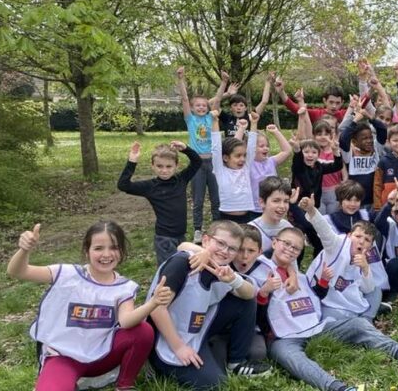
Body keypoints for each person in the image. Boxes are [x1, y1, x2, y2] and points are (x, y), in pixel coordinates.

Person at [253, 227, 398, 391]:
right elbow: (254, 314)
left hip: (315, 327)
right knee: (291, 358)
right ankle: (339, 388)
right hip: (283, 337)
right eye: (286, 244)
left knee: (358, 324)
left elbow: (315, 297)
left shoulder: (298, 275)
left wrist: (323, 282)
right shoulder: (258, 271)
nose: (290, 250)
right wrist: (264, 293)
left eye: (296, 248)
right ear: (275, 242)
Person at [8, 221, 173, 391]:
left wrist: (153, 302)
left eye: (114, 247)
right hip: (64, 358)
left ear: (122, 251)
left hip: (100, 357)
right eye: (98, 248)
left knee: (143, 330)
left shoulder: (124, 287)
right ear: (87, 251)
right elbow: (18, 272)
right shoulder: (66, 274)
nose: (106, 254)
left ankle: (125, 385)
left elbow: (126, 321)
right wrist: (24, 250)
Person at [148, 221, 265, 390]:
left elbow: (250, 293)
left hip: (196, 330)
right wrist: (179, 347)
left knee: (245, 300)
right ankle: (157, 366)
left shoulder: (222, 270)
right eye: (220, 243)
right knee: (215, 385)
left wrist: (233, 279)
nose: (225, 251)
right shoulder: (182, 263)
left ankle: (236, 362)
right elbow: (157, 309)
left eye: (232, 249)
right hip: (167, 338)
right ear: (205, 240)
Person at [299, 194, 383, 321]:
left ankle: (366, 319)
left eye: (366, 240)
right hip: (328, 298)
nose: (361, 242)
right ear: (349, 235)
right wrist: (311, 210)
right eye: (358, 236)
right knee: (332, 318)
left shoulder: (364, 257)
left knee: (376, 291)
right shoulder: (336, 243)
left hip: (350, 297)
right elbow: (324, 229)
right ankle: (360, 320)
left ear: (370, 246)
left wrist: (365, 269)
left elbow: (367, 289)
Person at [117, 140, 201, 264]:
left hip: (181, 236)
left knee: (182, 269)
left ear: (176, 166)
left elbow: (197, 162)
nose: (164, 170)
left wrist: (185, 149)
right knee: (168, 271)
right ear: (153, 166)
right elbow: (123, 185)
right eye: (159, 166)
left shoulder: (181, 179)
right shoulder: (150, 186)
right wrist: (132, 161)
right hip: (164, 239)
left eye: (169, 166)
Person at [176, 67, 232, 244]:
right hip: (197, 163)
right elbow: (185, 98)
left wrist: (223, 82)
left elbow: (216, 101)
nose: (201, 107)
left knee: (216, 198)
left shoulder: (210, 117)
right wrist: (181, 79)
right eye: (197, 105)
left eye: (203, 105)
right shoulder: (190, 119)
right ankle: (198, 230)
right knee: (198, 199)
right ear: (192, 108)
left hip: (214, 162)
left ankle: (217, 228)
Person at [210, 111, 258, 223]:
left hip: (247, 217)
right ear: (226, 158)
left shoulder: (246, 168)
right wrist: (215, 122)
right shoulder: (220, 170)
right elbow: (216, 148)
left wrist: (254, 123)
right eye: (237, 156)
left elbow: (251, 148)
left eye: (244, 155)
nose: (242, 159)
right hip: (226, 218)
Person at [250, 124, 293, 216]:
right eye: (261, 146)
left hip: (273, 208)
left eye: (267, 146)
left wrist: (276, 132)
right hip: (254, 210)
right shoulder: (248, 164)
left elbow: (287, 150)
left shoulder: (271, 161)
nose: (266, 148)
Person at [248, 176, 297, 254]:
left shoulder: (288, 228)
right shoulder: (250, 231)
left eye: (286, 201)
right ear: (262, 202)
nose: (282, 206)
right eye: (276, 201)